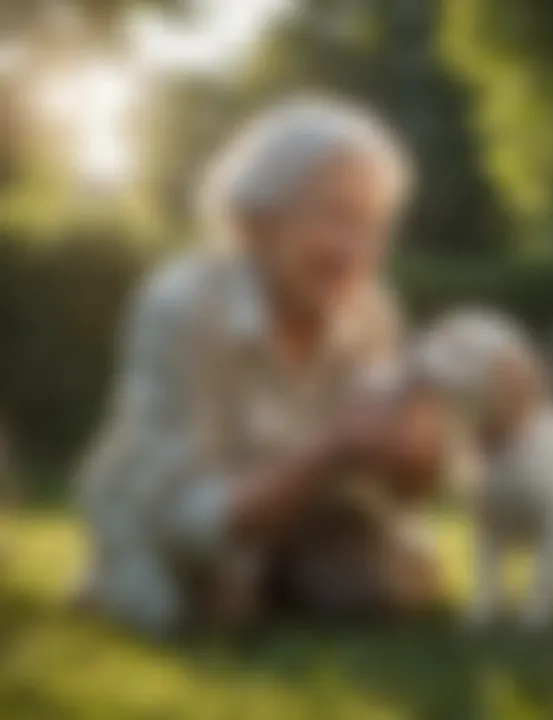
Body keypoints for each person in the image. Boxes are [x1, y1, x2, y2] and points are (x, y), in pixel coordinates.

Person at [77, 97, 446, 635]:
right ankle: (126, 577)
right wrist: (332, 451)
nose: (356, 249)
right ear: (255, 222)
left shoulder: (373, 309)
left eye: (374, 225)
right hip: (176, 522)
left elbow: (403, 488)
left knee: (385, 589)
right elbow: (182, 517)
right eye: (336, 215)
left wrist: (418, 454)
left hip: (307, 518)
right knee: (198, 609)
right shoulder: (179, 305)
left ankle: (285, 577)